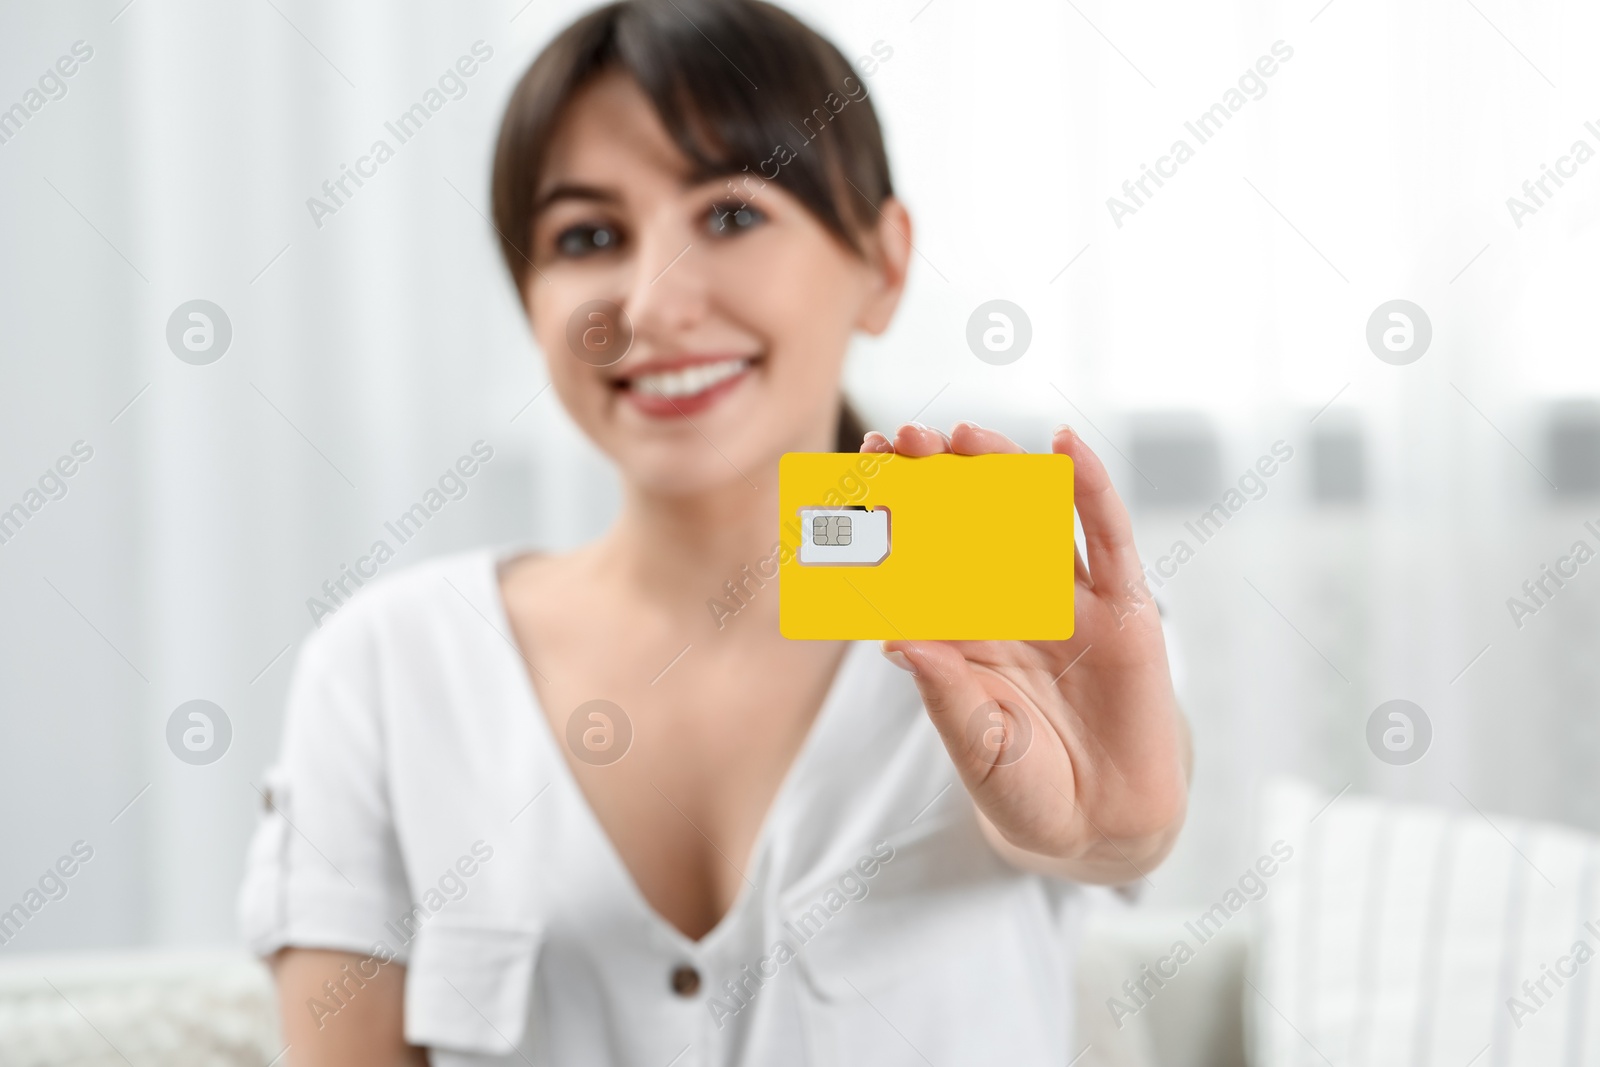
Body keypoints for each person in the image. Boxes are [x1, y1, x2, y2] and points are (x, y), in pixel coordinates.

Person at [238, 1, 1191, 1062]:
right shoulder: (389, 664)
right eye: (587, 237)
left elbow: (1109, 829)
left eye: (732, 214)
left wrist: (1115, 827)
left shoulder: (1017, 600)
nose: (650, 304)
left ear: (881, 262)